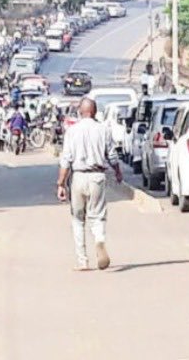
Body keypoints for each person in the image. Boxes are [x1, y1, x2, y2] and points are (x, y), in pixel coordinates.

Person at [56, 98, 123, 271]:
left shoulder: (72, 131)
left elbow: (66, 159)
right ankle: (99, 240)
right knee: (98, 216)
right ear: (94, 112)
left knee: (78, 219)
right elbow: (112, 155)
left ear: (80, 111)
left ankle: (82, 261)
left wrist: (61, 183)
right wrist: (117, 171)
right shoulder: (103, 129)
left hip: (78, 176)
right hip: (97, 177)